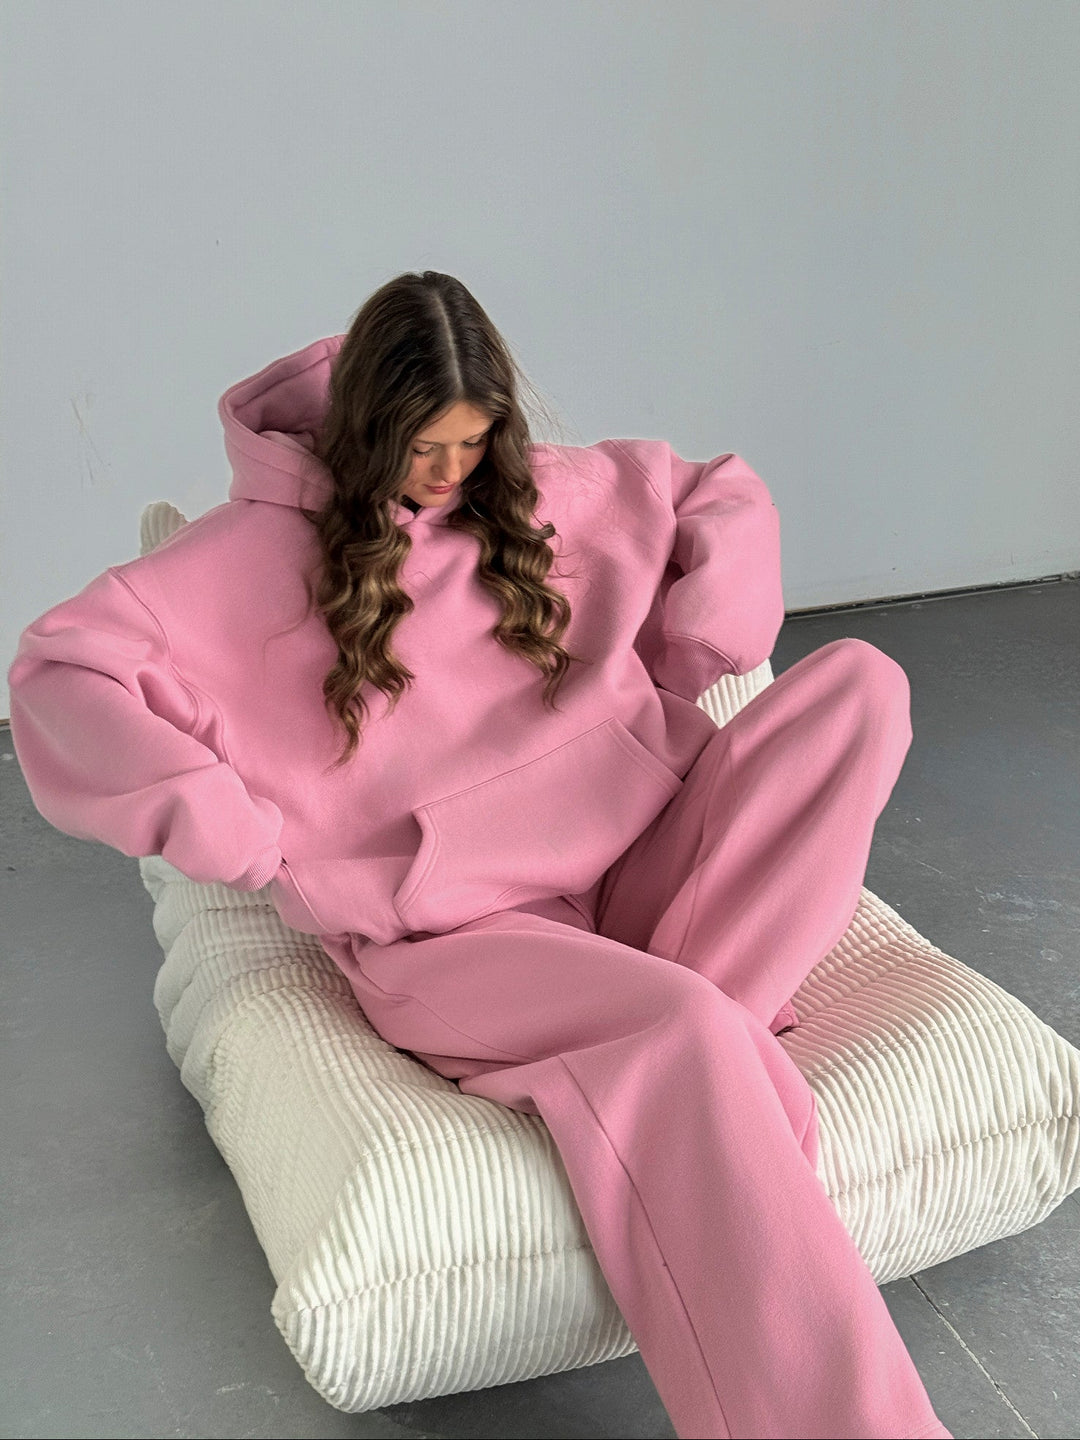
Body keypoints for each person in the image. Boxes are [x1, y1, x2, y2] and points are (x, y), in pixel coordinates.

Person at [7, 270, 952, 1440]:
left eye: (473, 439)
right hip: (458, 938)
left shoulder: (543, 494)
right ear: (366, 428)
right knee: (690, 1033)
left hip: (642, 865)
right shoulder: (223, 568)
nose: (449, 473)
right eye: (422, 447)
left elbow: (718, 491)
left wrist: (689, 641)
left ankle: (686, 1064)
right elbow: (58, 673)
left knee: (862, 685)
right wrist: (222, 824)